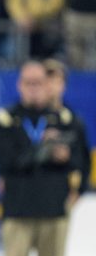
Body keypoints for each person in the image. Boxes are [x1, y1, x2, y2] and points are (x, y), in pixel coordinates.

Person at [0, 61, 80, 256]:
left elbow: (78, 162)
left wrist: (70, 178)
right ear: (19, 85)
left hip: (53, 209)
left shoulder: (65, 119)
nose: (33, 89)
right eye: (28, 83)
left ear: (48, 85)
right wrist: (45, 151)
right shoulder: (6, 118)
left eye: (38, 83)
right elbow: (8, 162)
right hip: (18, 210)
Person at [43, 59, 91, 198]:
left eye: (56, 81)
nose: (51, 86)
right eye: (47, 80)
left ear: (63, 85)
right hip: (34, 194)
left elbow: (83, 161)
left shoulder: (74, 122)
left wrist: (78, 191)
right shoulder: (29, 119)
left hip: (64, 195)